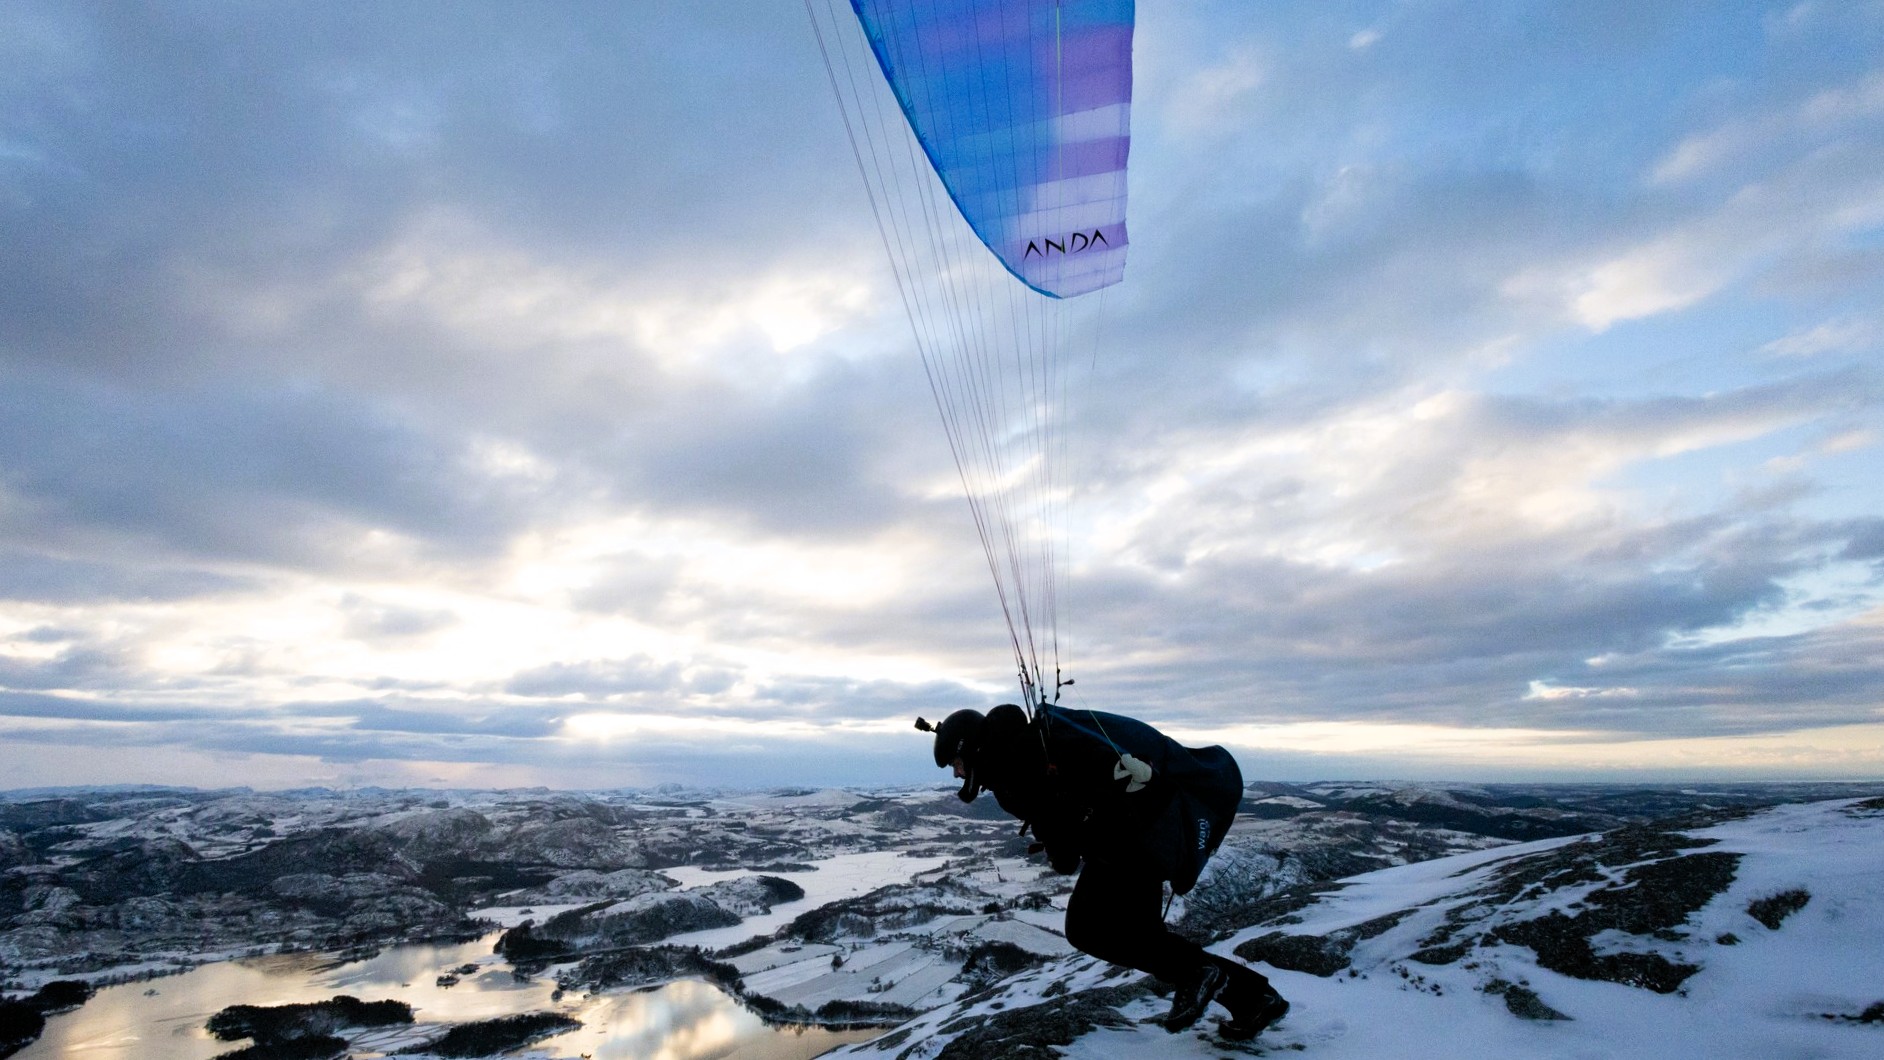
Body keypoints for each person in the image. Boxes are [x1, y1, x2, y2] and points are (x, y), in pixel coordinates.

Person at [917, 703, 1290, 1040]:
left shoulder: (1017, 763)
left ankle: (1199, 975)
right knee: (1142, 936)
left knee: (1088, 930)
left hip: (1128, 844)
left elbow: (1067, 832)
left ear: (971, 750)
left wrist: (1057, 843)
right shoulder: (1027, 746)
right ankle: (1254, 999)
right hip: (1137, 838)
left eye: (957, 763)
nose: (957, 774)